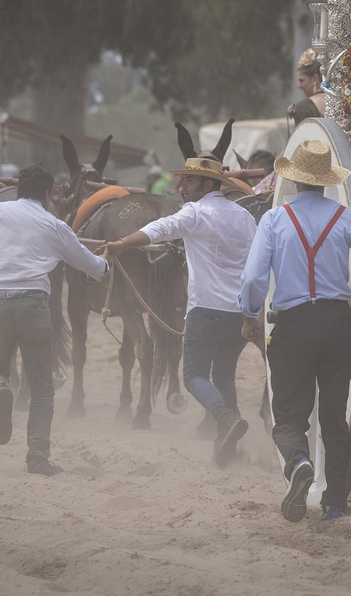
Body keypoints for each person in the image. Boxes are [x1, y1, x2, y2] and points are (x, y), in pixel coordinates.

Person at [238, 139, 351, 522]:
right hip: (339, 324)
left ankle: (298, 463)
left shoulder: (274, 220)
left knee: (288, 416)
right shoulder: (348, 218)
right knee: (336, 417)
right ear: (325, 183)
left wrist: (249, 315)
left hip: (292, 324)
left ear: (294, 179)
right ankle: (335, 503)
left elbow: (254, 279)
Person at [0, 163, 110, 475]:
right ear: (47, 194)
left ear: (20, 188)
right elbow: (91, 266)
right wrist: (105, 267)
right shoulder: (55, 226)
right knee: (41, 387)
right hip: (34, 306)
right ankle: (37, 456)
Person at [101, 149, 257, 465]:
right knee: (224, 375)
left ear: (206, 183)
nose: (181, 186)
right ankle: (226, 444)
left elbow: (157, 230)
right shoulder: (244, 216)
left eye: (187, 179)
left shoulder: (194, 214)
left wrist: (121, 244)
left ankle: (225, 420)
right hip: (239, 312)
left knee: (194, 376)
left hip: (205, 311)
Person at [289, 49, 327, 123]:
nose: (298, 86)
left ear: (315, 79)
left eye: (301, 80)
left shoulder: (302, 108)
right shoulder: (336, 101)